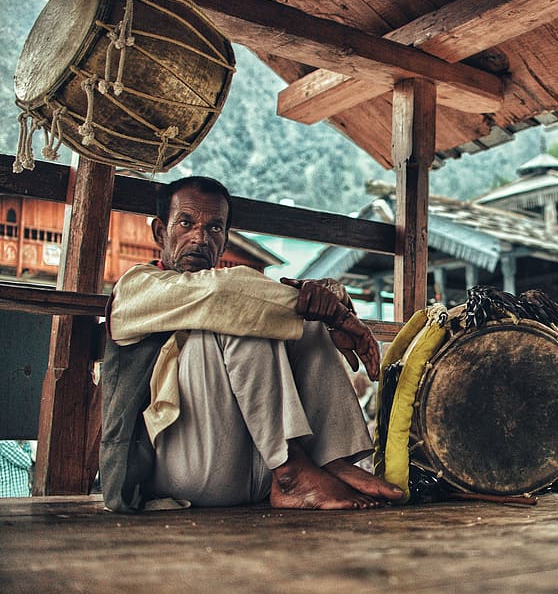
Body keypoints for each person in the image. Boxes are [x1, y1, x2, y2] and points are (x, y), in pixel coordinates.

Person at [101, 176, 403, 512]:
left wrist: (325, 304)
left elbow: (239, 293)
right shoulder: (136, 288)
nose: (200, 237)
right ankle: (291, 472)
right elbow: (224, 294)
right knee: (239, 311)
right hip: (177, 473)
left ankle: (332, 460)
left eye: (215, 228)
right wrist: (339, 315)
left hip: (253, 471)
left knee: (301, 314)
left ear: (225, 237)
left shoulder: (226, 286)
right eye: (186, 223)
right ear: (160, 232)